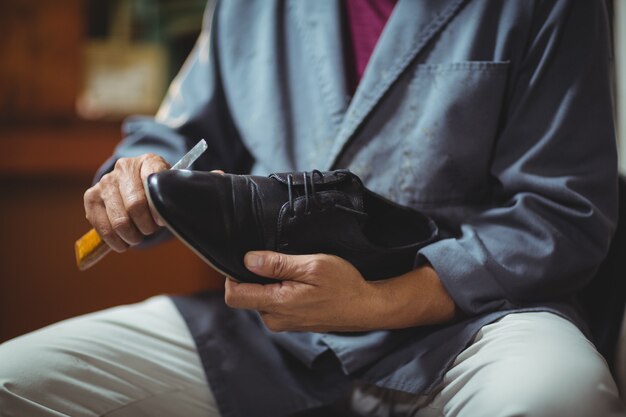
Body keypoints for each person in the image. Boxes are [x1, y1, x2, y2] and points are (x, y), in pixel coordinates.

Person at [1, 0, 625, 416]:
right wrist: (133, 175)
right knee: (14, 381)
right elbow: (177, 133)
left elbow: (559, 215)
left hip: (463, 325)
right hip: (272, 331)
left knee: (558, 396)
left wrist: (380, 301)